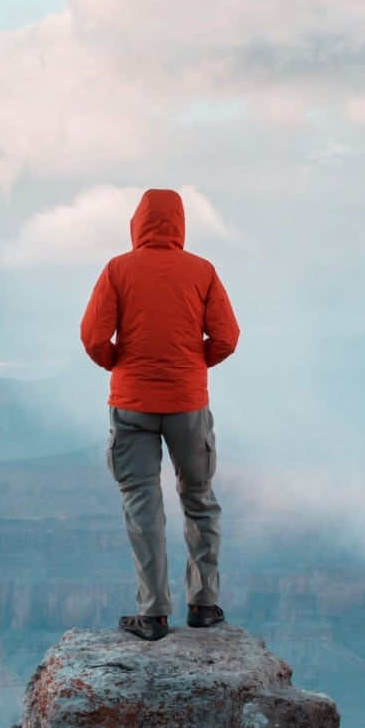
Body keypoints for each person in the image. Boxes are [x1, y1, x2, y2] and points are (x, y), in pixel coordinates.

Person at [79, 188, 240, 641]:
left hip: (132, 406)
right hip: (189, 406)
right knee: (199, 499)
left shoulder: (117, 269)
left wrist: (121, 365)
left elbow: (93, 336)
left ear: (138, 224)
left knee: (142, 504)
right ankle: (204, 605)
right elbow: (226, 337)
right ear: (180, 224)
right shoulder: (202, 271)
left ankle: (152, 615)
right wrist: (191, 366)